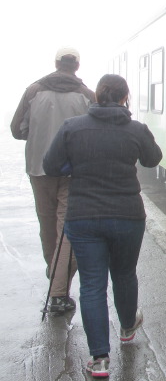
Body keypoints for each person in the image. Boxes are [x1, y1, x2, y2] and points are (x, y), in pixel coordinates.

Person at [43, 74, 162, 379]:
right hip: (127, 216)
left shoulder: (72, 128)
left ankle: (99, 360)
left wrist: (75, 164)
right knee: (124, 274)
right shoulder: (136, 129)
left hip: (83, 217)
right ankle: (127, 327)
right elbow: (152, 160)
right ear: (125, 97)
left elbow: (50, 166)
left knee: (92, 284)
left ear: (96, 96)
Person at [10, 47, 95, 314]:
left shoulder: (33, 90)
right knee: (66, 230)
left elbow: (17, 130)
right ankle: (59, 290)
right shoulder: (87, 95)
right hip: (72, 173)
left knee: (47, 226)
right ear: (77, 66)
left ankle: (55, 276)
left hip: (39, 170)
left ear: (56, 63)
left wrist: (39, 133)